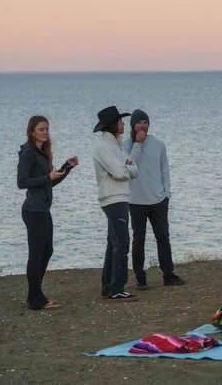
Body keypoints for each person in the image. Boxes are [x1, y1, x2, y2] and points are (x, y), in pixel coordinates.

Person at [17, 116, 79, 311]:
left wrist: (66, 168)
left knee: (47, 251)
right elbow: (22, 182)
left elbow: (49, 182)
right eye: (41, 129)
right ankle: (35, 299)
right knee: (36, 254)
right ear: (32, 131)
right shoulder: (28, 153)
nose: (45, 132)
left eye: (47, 129)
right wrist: (47, 176)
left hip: (43, 209)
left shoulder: (41, 153)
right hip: (33, 210)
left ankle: (36, 295)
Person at [122, 109, 185, 290]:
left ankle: (168, 274)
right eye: (139, 122)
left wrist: (167, 193)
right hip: (135, 201)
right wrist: (138, 144)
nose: (143, 126)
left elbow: (164, 169)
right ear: (132, 125)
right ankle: (140, 278)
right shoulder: (126, 145)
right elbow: (128, 167)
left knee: (163, 237)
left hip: (158, 200)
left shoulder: (158, 144)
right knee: (138, 239)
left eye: (145, 122)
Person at [92, 105, 140, 302]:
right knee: (121, 242)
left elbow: (134, 170)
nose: (123, 124)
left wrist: (125, 168)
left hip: (120, 196)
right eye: (120, 121)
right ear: (113, 125)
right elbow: (120, 172)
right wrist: (125, 168)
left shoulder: (116, 145)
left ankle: (109, 285)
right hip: (113, 198)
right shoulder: (102, 147)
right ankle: (117, 287)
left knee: (113, 243)